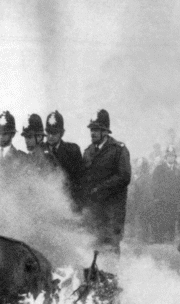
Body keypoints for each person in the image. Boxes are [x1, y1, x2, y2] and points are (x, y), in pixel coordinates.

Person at [79, 109, 132, 256]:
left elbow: (124, 176)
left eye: (97, 130)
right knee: (92, 250)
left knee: (110, 251)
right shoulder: (88, 152)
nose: (93, 133)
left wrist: (100, 188)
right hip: (93, 212)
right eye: (91, 129)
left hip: (112, 213)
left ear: (105, 132)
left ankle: (111, 277)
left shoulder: (119, 150)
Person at [42, 110, 82, 203]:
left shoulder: (73, 151)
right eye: (48, 132)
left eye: (54, 133)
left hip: (68, 203)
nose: (50, 136)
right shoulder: (40, 151)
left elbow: (79, 182)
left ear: (62, 133)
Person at [149, 146, 180, 244]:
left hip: (172, 203)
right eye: (169, 156)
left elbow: (179, 188)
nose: (171, 158)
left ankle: (170, 244)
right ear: (165, 157)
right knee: (161, 224)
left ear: (175, 157)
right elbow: (154, 185)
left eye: (173, 156)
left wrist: (178, 200)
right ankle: (159, 244)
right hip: (161, 203)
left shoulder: (177, 171)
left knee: (171, 224)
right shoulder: (159, 169)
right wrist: (158, 198)